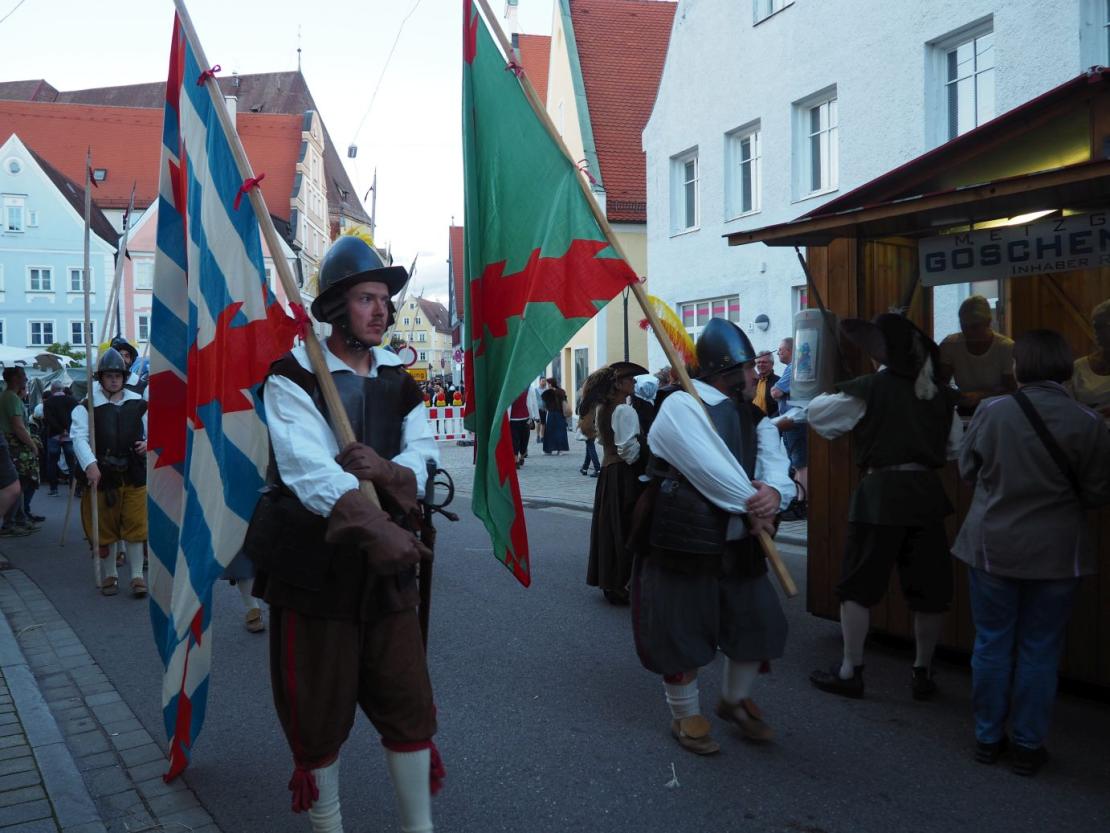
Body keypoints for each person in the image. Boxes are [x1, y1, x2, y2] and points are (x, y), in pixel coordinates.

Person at [246, 233, 441, 833]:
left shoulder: (400, 382)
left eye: (384, 298)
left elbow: (425, 454)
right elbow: (308, 471)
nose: (381, 309)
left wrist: (384, 469)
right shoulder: (292, 379)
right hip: (316, 565)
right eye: (365, 298)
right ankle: (328, 825)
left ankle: (419, 828)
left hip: (388, 574)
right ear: (335, 308)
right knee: (318, 710)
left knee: (407, 701)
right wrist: (376, 525)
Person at [633, 319, 794, 755]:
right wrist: (754, 502)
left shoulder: (753, 415)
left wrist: (775, 492)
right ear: (729, 370)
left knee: (757, 620)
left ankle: (735, 699)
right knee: (680, 626)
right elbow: (709, 468)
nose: (756, 375)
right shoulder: (680, 406)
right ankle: (686, 716)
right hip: (684, 534)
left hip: (740, 536)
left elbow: (773, 461)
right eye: (749, 368)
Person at [954, 329, 1110, 775]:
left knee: (992, 642)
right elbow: (1098, 492)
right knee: (1041, 648)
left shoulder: (992, 410)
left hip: (992, 545)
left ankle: (987, 738)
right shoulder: (1088, 421)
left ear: (1020, 366)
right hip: (1060, 553)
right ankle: (1027, 744)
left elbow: (967, 469)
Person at [806, 313, 961, 701]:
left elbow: (818, 416)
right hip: (925, 495)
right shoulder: (941, 392)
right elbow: (953, 449)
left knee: (858, 587)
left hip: (880, 497)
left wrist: (849, 389)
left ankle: (850, 670)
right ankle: (922, 672)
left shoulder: (872, 387)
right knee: (930, 591)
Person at [70, 349, 149, 597]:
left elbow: (155, 430)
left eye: (118, 375)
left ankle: (137, 576)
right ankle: (110, 575)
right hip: (104, 474)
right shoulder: (87, 407)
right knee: (105, 527)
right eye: (109, 375)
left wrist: (149, 443)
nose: (114, 380)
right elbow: (79, 438)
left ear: (124, 377)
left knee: (136, 525)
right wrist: (90, 464)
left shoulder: (139, 404)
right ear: (100, 378)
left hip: (134, 472)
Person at [586, 362, 648, 605]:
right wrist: (648, 449)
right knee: (625, 525)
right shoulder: (623, 410)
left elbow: (604, 440)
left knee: (612, 526)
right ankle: (620, 583)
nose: (634, 383)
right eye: (630, 379)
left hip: (609, 472)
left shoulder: (604, 408)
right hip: (624, 474)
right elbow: (629, 450)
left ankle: (613, 581)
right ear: (619, 385)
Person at [938, 294, 1015, 413]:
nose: (968, 332)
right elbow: (940, 384)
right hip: (965, 408)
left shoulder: (1005, 347)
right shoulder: (950, 345)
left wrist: (981, 396)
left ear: (988, 322)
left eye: (974, 327)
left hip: (999, 409)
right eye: (964, 326)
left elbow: (1012, 389)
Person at [1, 368, 42, 534]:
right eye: (22, 375)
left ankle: (20, 518)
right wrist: (32, 444)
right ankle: (12, 522)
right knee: (19, 483)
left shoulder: (10, 397)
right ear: (14, 378)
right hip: (15, 445)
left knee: (19, 483)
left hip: (12, 443)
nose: (26, 378)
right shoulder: (10, 397)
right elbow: (18, 426)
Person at [770, 337, 807, 494]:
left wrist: (776, 391)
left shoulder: (793, 367)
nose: (778, 353)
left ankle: (802, 501)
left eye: (780, 350)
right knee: (796, 462)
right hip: (792, 420)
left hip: (794, 421)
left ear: (790, 351)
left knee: (800, 463)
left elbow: (775, 392)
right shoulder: (796, 367)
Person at [1070, 299, 1110, 418]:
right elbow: (1067, 406)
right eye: (1095, 326)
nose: (1097, 332)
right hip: (1089, 431)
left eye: (1103, 326)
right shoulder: (1078, 367)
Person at [43, 381, 79, 497]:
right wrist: (66, 430)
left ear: (53, 390)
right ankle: (74, 489)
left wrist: (59, 430)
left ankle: (54, 489)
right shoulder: (72, 400)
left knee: (52, 462)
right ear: (62, 389)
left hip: (54, 435)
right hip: (69, 436)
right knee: (71, 463)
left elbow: (49, 419)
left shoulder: (48, 402)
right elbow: (76, 417)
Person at [575, 389, 601, 478]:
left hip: (587, 425)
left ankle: (598, 469)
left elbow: (578, 412)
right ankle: (585, 468)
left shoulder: (585, 400)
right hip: (594, 424)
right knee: (589, 446)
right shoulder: (597, 400)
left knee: (590, 446)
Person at [508, 388, 535, 469]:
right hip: (518, 419)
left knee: (520, 439)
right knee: (519, 439)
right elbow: (529, 405)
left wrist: (533, 417)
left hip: (519, 419)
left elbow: (531, 404)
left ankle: (519, 458)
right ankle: (518, 458)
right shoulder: (510, 390)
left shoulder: (526, 389)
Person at [540, 378, 569, 455]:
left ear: (550, 384)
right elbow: (565, 401)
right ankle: (560, 450)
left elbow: (544, 405)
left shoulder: (547, 393)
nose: (547, 385)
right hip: (560, 414)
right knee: (560, 431)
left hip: (552, 414)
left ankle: (548, 449)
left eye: (548, 383)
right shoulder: (561, 391)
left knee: (550, 432)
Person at [751, 351, 780, 417]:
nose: (761, 365)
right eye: (758, 362)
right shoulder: (752, 382)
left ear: (772, 364)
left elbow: (781, 407)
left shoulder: (778, 383)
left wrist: (771, 422)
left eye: (764, 362)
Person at [531, 376, 548, 445]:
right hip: (538, 409)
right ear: (539, 382)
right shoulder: (535, 390)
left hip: (544, 409)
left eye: (545, 381)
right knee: (538, 423)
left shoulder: (546, 390)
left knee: (543, 423)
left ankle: (542, 437)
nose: (544, 383)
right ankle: (537, 436)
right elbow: (533, 400)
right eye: (542, 381)